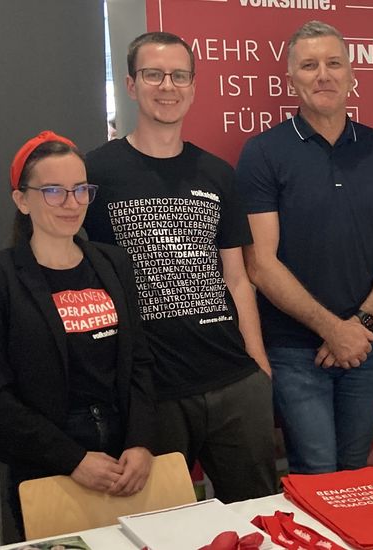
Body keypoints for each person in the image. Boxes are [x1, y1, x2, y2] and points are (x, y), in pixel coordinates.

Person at [83, 31, 277, 501]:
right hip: (151, 390)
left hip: (233, 380)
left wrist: (258, 368)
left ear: (193, 86)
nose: (167, 86)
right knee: (163, 522)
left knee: (256, 514)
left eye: (179, 76)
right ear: (131, 85)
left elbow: (237, 277)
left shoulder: (217, 173)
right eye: (153, 74)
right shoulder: (95, 173)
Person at [236, 20, 373, 473]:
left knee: (357, 470)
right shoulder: (263, 153)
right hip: (295, 349)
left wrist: (360, 324)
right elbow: (260, 264)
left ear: (351, 74)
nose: (323, 75)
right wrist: (333, 330)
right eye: (309, 65)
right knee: (315, 470)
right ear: (291, 78)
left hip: (366, 345)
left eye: (334, 63)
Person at [0, 131, 159, 538]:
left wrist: (141, 442)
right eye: (53, 191)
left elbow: (139, 361)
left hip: (124, 459)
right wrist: (73, 459)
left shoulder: (113, 262)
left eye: (81, 189)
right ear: (22, 200)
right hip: (47, 463)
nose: (72, 204)